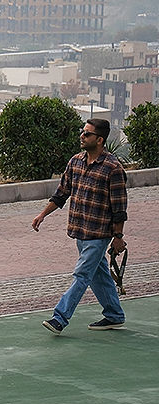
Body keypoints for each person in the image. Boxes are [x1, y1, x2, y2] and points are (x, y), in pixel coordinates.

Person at [31, 118, 128, 334]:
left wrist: (118, 236)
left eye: (87, 134)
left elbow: (119, 207)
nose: (81, 137)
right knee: (98, 274)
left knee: (82, 274)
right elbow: (61, 194)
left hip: (99, 233)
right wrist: (42, 215)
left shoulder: (113, 168)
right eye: (82, 132)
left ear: (100, 140)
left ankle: (60, 318)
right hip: (80, 231)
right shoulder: (75, 162)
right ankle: (114, 315)